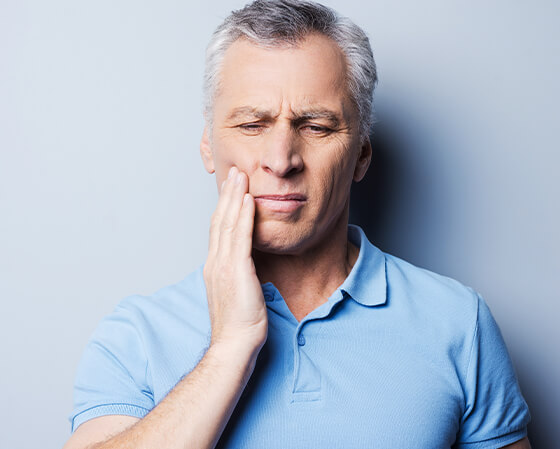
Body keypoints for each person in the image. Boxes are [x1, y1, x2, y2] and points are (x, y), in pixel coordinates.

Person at [64, 1, 531, 448]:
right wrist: (230, 348)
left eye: (316, 126)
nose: (281, 160)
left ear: (361, 155)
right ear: (209, 147)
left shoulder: (457, 322)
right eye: (252, 125)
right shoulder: (137, 334)